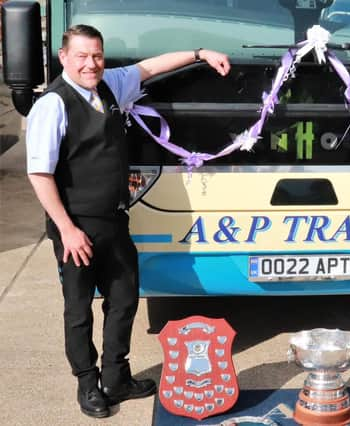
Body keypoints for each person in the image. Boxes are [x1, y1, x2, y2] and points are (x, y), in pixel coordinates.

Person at [25, 24, 231, 418]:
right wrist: (67, 230)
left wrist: (200, 53)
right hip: (77, 225)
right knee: (79, 308)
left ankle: (117, 376)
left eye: (97, 56)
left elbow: (149, 67)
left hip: (115, 220)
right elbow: (40, 174)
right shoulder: (52, 105)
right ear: (64, 58)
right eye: (82, 56)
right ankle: (88, 384)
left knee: (123, 300)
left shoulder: (108, 86)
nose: (91, 64)